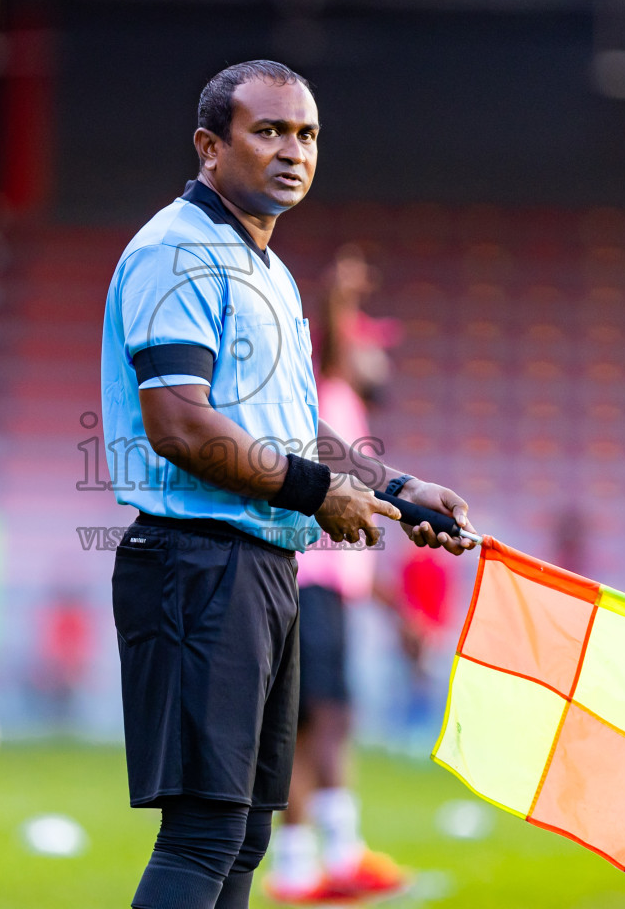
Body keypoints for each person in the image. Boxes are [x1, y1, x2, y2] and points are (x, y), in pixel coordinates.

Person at [100, 60, 477, 909]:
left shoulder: (270, 269)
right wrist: (314, 494)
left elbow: (295, 428)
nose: (292, 151)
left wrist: (401, 485)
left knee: (245, 835)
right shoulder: (178, 251)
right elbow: (182, 425)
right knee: (202, 834)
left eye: (306, 134)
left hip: (263, 567)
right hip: (197, 563)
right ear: (210, 147)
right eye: (267, 131)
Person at [266, 245, 411, 903]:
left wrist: (391, 602)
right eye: (370, 344)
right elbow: (327, 345)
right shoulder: (327, 391)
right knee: (328, 718)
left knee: (302, 726)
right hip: (312, 588)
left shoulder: (345, 407)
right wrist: (339, 295)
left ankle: (298, 867)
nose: (380, 358)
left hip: (323, 587)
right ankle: (340, 854)